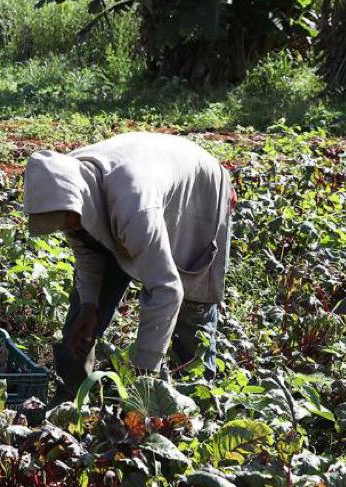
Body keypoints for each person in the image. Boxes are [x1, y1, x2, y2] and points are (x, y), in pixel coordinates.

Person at [22, 132, 234, 401]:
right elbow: (87, 251)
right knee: (83, 316)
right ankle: (72, 398)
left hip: (199, 191)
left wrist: (144, 372)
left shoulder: (134, 209)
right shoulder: (65, 182)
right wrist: (89, 306)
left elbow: (166, 289)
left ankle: (198, 401)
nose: (71, 229)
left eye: (72, 222)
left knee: (193, 313)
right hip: (139, 188)